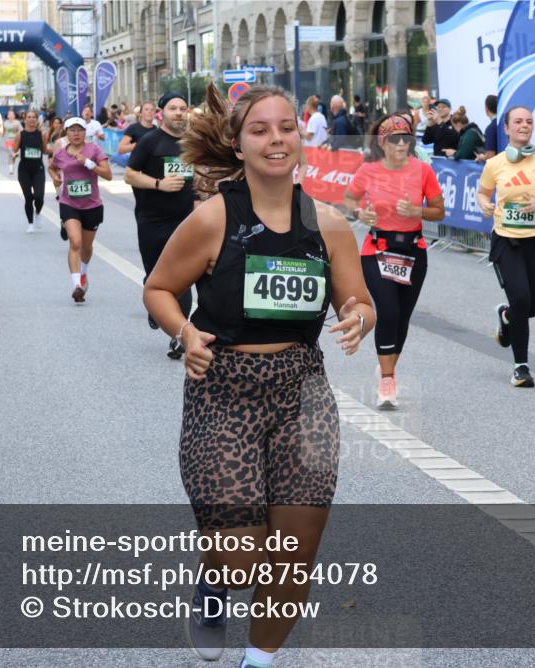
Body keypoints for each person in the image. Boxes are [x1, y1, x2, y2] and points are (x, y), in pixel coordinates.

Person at [144, 81, 374, 668]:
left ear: (301, 137)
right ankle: (216, 584)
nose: (277, 139)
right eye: (260, 129)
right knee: (241, 558)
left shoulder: (329, 224)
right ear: (239, 145)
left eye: (287, 127)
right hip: (224, 393)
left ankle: (259, 661)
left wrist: (358, 318)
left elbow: (360, 301)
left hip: (303, 395)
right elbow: (160, 289)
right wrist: (186, 333)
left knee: (294, 553)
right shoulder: (212, 218)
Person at [344, 114, 445, 408]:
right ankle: (387, 379)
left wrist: (417, 210)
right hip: (378, 249)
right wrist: (360, 213)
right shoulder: (368, 171)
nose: (401, 144)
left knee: (402, 316)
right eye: (395, 139)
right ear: (383, 143)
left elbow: (439, 211)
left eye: (406, 139)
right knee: (387, 311)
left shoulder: (423, 171)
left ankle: (389, 364)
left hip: (414, 250)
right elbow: (350, 199)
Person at [476, 106, 535, 388]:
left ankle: (507, 316)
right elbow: (482, 192)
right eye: (518, 121)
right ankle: (521, 367)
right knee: (521, 299)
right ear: (506, 128)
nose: (524, 125)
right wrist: (484, 204)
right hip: (506, 240)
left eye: (528, 121)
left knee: (532, 306)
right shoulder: (496, 164)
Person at [124, 92, 195, 354]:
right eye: (173, 108)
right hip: (152, 220)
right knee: (155, 275)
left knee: (184, 277)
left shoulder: (192, 143)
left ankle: (179, 336)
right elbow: (130, 176)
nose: (178, 113)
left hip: (185, 220)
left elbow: (198, 177)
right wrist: (158, 184)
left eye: (183, 108)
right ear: (161, 112)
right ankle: (156, 304)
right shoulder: (149, 141)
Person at [49, 117, 111, 303]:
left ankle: (83, 273)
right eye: (72, 130)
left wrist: (88, 163)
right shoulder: (60, 153)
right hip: (69, 203)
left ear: (86, 132)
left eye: (80, 130)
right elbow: (51, 167)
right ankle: (76, 285)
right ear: (66, 133)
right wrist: (55, 178)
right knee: (75, 242)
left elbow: (107, 174)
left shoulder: (94, 150)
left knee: (86, 246)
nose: (76, 134)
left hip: (92, 205)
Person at [16, 109, 48, 234]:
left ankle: (38, 212)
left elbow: (45, 150)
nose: (31, 119)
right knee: (28, 197)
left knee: (39, 196)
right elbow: (14, 149)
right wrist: (12, 153)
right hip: (24, 170)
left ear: (36, 119)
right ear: (25, 120)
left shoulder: (41, 134)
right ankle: (30, 223)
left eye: (34, 117)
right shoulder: (21, 135)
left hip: (38, 169)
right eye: (29, 117)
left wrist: (58, 151)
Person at [478, 94, 499, 163]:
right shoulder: (506, 124)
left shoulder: (491, 128)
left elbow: (490, 156)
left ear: (486, 109)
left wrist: (482, 157)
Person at [2, 109, 22, 175]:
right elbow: (2, 131)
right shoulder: (5, 123)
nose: (10, 115)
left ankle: (12, 166)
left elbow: (21, 131)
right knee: (11, 153)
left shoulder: (17, 122)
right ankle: (10, 169)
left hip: (16, 141)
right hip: (8, 140)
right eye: (9, 114)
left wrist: (17, 130)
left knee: (13, 155)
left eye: (12, 114)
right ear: (7, 116)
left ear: (14, 115)